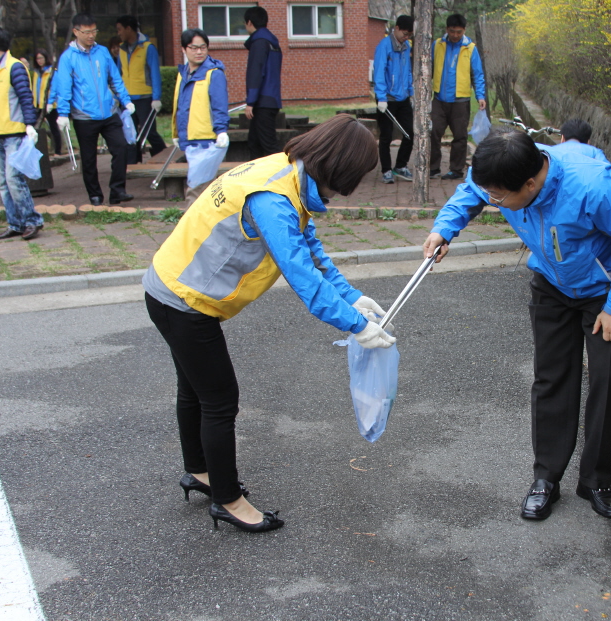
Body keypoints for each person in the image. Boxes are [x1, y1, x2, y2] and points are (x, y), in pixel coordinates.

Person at [143, 114, 395, 533]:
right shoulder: (272, 200)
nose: (339, 193)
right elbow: (302, 276)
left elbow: (309, 246)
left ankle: (200, 472)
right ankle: (227, 500)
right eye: (347, 181)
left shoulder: (285, 172)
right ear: (337, 168)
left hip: (170, 286)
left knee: (195, 388)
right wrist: (355, 326)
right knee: (220, 399)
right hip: (184, 301)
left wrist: (352, 297)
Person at [422, 128, 611, 521]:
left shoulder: (595, 188)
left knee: (606, 379)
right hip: (551, 282)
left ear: (531, 183)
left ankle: (596, 479)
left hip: (606, 289)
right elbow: (472, 190)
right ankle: (546, 477)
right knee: (551, 378)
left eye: (500, 199)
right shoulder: (506, 170)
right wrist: (444, 228)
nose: (493, 202)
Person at [52, 13, 136, 206]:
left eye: (94, 31)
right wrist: (63, 113)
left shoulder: (103, 52)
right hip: (84, 115)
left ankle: (118, 191)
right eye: (87, 32)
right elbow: (64, 87)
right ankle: (95, 195)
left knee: (121, 147)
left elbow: (114, 77)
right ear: (76, 32)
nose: (91, 35)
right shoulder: (68, 58)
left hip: (108, 111)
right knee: (89, 159)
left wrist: (125, 100)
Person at [0, 26, 43, 241]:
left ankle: (32, 221)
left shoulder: (15, 67)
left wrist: (30, 125)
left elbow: (25, 97)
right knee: (3, 183)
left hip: (14, 133)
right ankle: (16, 223)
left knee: (14, 180)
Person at [171, 29, 229, 207]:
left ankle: (189, 231)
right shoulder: (183, 74)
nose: (199, 52)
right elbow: (179, 106)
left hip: (209, 141)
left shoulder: (214, 73)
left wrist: (221, 131)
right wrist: (176, 132)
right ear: (184, 49)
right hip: (190, 140)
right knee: (202, 190)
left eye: (203, 47)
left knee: (195, 191)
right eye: (194, 48)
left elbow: (219, 105)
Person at [429, 13, 486, 180]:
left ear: (464, 31)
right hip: (439, 99)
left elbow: (478, 74)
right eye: (452, 31)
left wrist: (480, 95)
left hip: (460, 100)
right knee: (433, 133)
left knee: (460, 136)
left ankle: (456, 169)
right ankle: (433, 168)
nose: (455, 35)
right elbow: (428, 69)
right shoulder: (437, 45)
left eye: (459, 32)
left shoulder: (470, 48)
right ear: (447, 30)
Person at [116, 15, 166, 162]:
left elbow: (155, 74)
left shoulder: (148, 48)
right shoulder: (121, 50)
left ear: (128, 29)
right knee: (129, 133)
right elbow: (119, 74)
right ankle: (132, 163)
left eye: (120, 29)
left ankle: (162, 158)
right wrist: (117, 96)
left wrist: (156, 97)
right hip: (127, 99)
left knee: (149, 132)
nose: (118, 33)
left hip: (145, 97)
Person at [374, 15, 414, 184]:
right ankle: (386, 170)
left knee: (410, 133)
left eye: (409, 35)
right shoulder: (384, 46)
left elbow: (408, 72)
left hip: (403, 98)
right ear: (396, 28)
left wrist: (411, 92)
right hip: (387, 99)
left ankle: (400, 165)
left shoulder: (406, 47)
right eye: (404, 34)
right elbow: (379, 72)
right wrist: (381, 97)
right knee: (386, 136)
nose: (406, 38)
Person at [243, 6, 282, 159]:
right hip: (270, 99)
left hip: (262, 101)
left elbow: (256, 72)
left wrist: (250, 101)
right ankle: (256, 177)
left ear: (249, 23)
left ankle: (289, 174)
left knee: (269, 144)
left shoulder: (259, 43)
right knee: (254, 142)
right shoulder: (272, 42)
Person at [31, 49, 62, 156]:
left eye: (41, 58)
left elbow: (54, 87)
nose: (39, 60)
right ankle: (38, 150)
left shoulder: (51, 71)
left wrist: (50, 102)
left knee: (53, 127)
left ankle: (58, 150)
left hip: (50, 105)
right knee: (35, 127)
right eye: (37, 58)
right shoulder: (36, 72)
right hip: (38, 104)